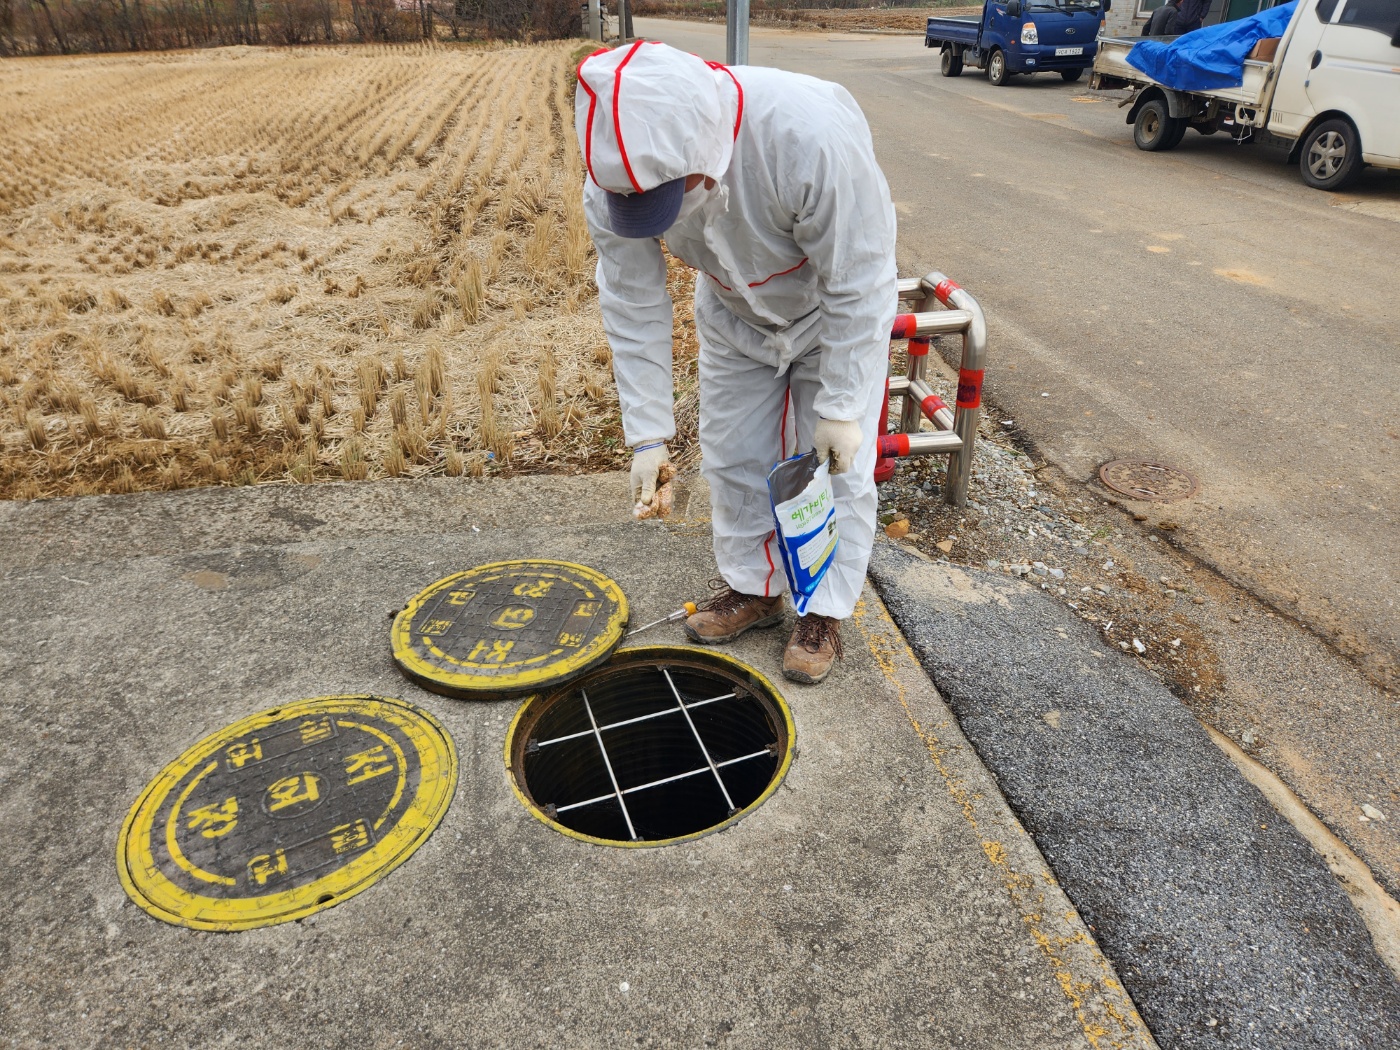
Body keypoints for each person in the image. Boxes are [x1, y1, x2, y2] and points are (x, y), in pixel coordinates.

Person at [575, 41, 896, 685]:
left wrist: (840, 406)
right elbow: (633, 302)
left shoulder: (805, 137)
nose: (654, 216)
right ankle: (754, 587)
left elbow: (859, 282)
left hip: (826, 314)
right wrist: (648, 435)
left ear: (704, 152)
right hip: (732, 314)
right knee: (732, 456)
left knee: (834, 469)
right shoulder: (613, 176)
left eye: (668, 196)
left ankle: (823, 610)